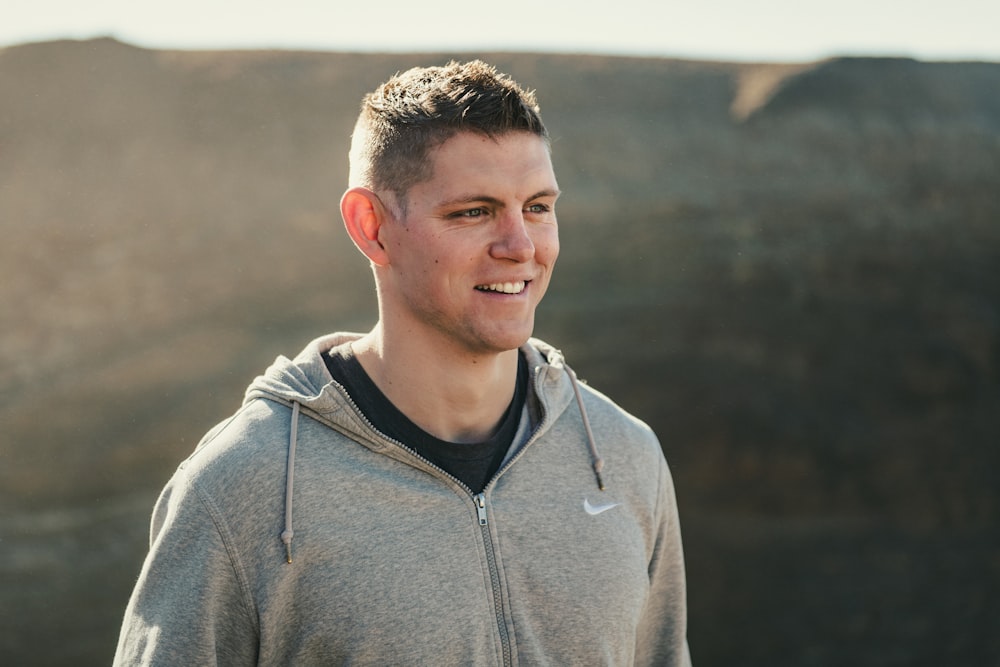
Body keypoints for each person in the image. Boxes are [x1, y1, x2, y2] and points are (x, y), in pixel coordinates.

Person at [114, 60, 691, 666]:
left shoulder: (625, 455)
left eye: (538, 207)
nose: (521, 247)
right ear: (372, 227)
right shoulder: (240, 487)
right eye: (474, 211)